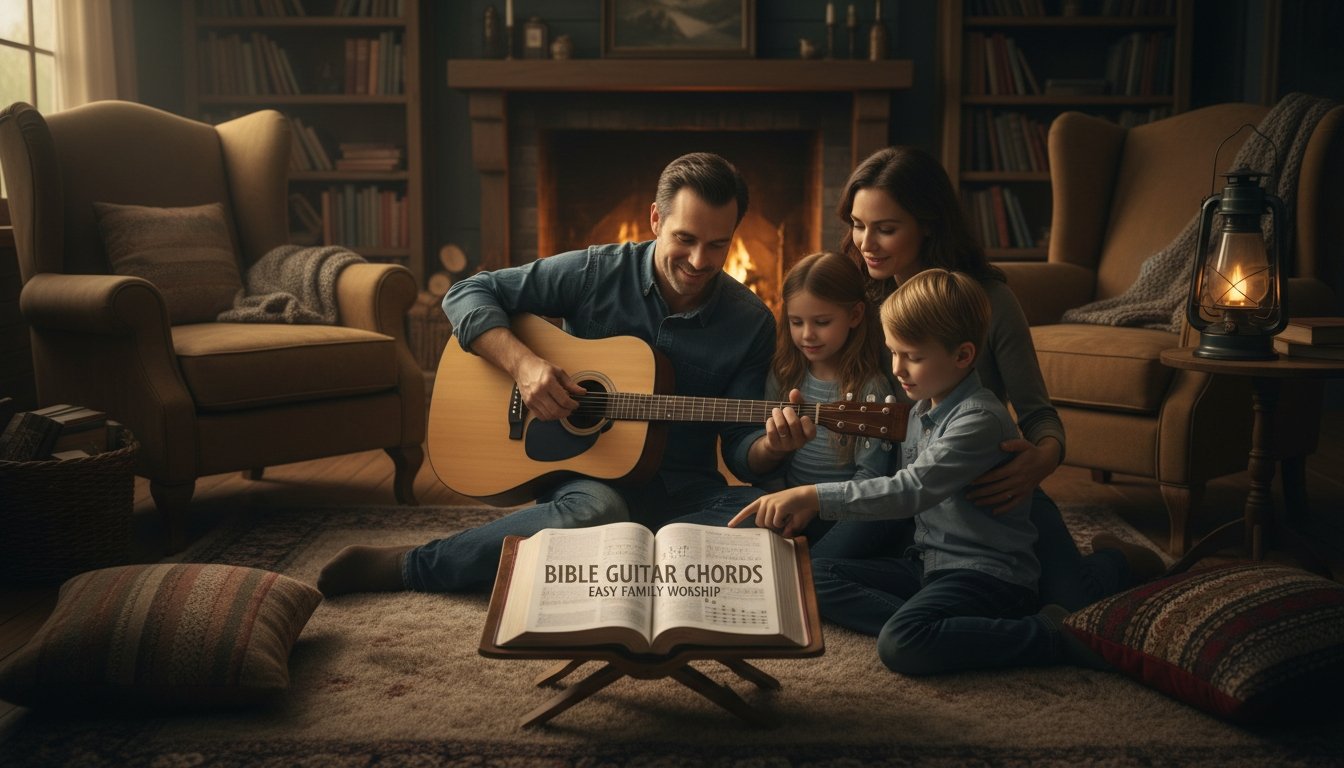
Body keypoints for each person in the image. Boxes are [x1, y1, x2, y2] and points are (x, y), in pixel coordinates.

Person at [318, 152, 807, 596]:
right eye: (685, 239)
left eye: (718, 245)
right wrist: (524, 366)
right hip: (588, 476)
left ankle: (617, 558)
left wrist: (772, 447)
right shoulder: (597, 271)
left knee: (764, 517)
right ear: (656, 219)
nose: (700, 261)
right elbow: (466, 292)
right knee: (600, 511)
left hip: (684, 488)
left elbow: (743, 452)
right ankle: (413, 566)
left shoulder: (752, 323)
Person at [831, 146, 1163, 610]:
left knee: (1070, 601)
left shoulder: (990, 301)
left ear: (928, 224)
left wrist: (1042, 460)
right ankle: (920, 616)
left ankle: (1116, 561)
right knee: (820, 569)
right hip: (900, 484)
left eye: (886, 229)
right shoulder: (863, 299)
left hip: (986, 489)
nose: (866, 243)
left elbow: (1038, 413)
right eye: (857, 224)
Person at [730, 269, 1100, 675]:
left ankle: (1051, 636)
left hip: (985, 575)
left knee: (901, 644)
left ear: (963, 356)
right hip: (927, 564)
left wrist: (811, 496)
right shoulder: (921, 409)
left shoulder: (978, 419)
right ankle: (946, 624)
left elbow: (911, 490)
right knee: (811, 576)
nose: (899, 369)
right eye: (893, 353)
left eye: (914, 357)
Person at [745, 250, 896, 494]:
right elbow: (772, 465)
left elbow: (871, 476)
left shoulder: (871, 388)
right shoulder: (784, 374)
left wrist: (814, 506)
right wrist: (780, 505)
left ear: (855, 315)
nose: (807, 334)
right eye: (796, 322)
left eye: (822, 322)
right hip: (786, 504)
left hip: (847, 511)